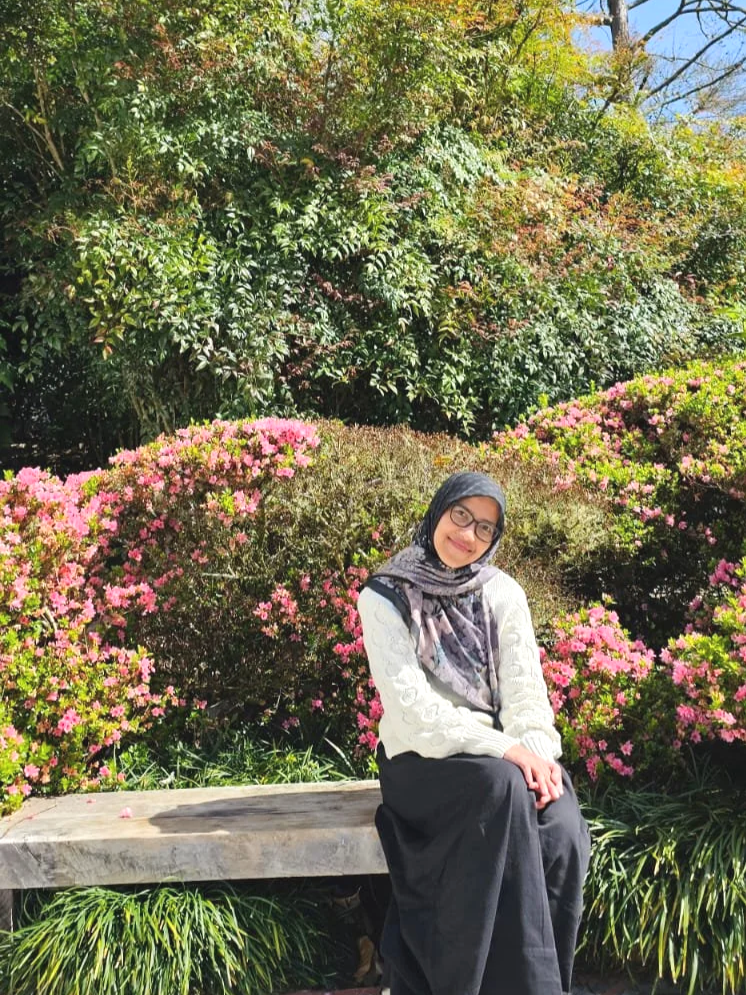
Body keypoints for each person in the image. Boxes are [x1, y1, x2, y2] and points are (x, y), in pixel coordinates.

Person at [357, 472, 591, 995]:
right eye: (460, 515)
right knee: (502, 788)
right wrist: (506, 751)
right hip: (421, 760)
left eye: (484, 528)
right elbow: (414, 712)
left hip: (500, 761)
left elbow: (527, 695)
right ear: (437, 511)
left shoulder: (502, 593)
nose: (468, 534)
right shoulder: (385, 595)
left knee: (561, 825)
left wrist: (536, 758)